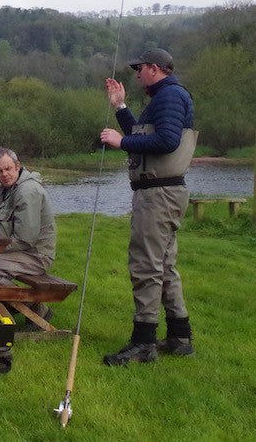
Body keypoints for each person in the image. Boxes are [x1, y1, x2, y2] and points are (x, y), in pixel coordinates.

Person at [100, 48, 197, 366]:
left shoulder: (169, 96)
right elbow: (145, 135)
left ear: (155, 68)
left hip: (158, 196)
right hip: (164, 192)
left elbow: (167, 141)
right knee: (165, 267)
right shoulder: (166, 97)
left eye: (139, 68)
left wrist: (121, 142)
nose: (137, 74)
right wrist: (121, 108)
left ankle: (143, 345)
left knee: (146, 267)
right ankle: (180, 337)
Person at [0, 147, 57, 326]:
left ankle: (33, 307)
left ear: (17, 166)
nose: (5, 174)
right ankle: (5, 306)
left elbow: (25, 239)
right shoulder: (5, 189)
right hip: (16, 251)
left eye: (8, 169)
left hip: (35, 254)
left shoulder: (27, 191)